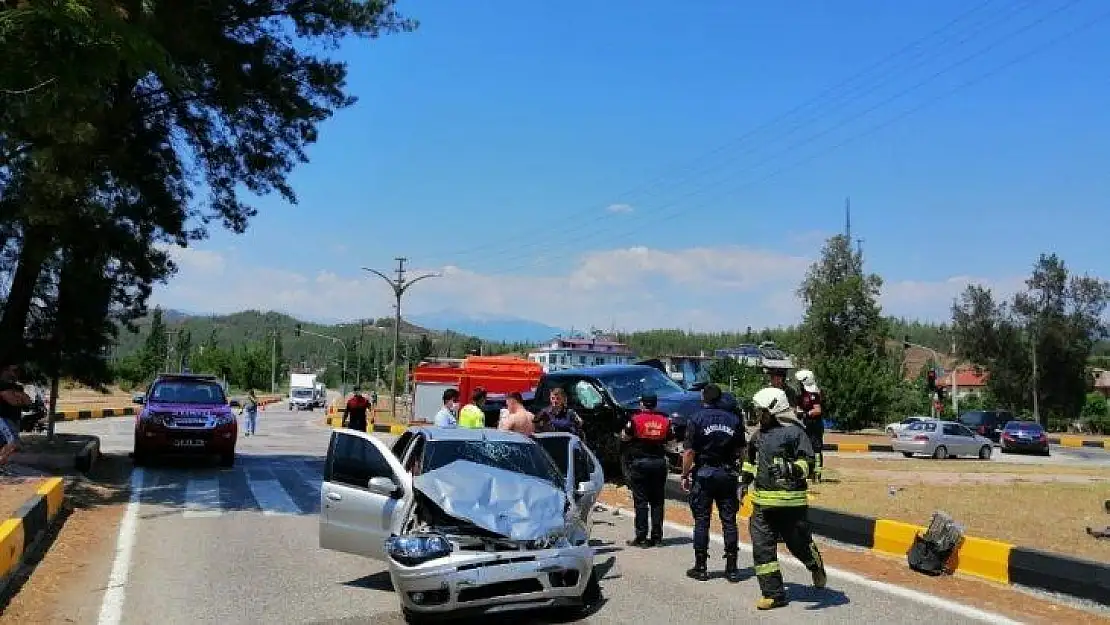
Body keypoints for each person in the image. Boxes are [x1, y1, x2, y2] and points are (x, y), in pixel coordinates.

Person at [742, 386, 827, 610]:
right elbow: (750, 461)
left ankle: (815, 565)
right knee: (762, 549)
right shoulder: (757, 436)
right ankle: (773, 594)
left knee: (798, 545)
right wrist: (743, 481)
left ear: (774, 410)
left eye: (762, 412)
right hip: (761, 504)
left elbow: (808, 463)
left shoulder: (795, 433)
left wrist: (791, 469)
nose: (758, 416)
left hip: (791, 504)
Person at [680, 383, 745, 583]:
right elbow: (742, 451)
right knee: (729, 521)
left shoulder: (696, 418)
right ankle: (732, 568)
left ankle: (701, 566)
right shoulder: (734, 419)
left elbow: (689, 452)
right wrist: (739, 473)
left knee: (702, 520)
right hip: (727, 474)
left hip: (705, 473)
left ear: (704, 398)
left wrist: (684, 474)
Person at [620, 393, 670, 548]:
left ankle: (641, 537)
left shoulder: (635, 419)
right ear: (655, 404)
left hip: (640, 463)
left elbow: (625, 437)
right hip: (659, 463)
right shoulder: (665, 420)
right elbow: (672, 441)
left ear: (642, 404)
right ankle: (657, 537)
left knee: (641, 501)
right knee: (657, 501)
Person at [795, 369, 825, 482]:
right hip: (804, 424)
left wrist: (806, 413)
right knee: (805, 449)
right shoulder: (802, 394)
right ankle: (808, 472)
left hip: (814, 425)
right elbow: (798, 407)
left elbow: (817, 410)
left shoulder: (814, 394)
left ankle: (817, 473)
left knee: (816, 449)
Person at [0, 364, 30, 475]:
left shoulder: (17, 386)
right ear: (5, 370)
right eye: (14, 370)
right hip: (3, 418)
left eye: (17, 370)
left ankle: (2, 465)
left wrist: (19, 397)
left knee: (4, 444)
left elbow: (28, 401)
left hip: (14, 418)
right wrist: (18, 398)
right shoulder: (2, 385)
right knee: (13, 442)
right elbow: (13, 401)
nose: (16, 373)